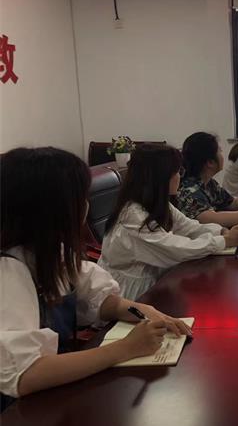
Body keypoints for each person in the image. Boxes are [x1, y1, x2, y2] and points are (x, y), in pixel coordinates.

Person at [0, 147, 192, 402]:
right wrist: (125, 348)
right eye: (80, 197)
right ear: (51, 209)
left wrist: (145, 311)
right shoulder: (8, 270)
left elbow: (99, 298)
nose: (86, 206)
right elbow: (27, 374)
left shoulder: (50, 253)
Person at [99, 144, 238, 300]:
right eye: (177, 172)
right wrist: (225, 240)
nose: (180, 177)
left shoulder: (158, 204)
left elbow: (189, 227)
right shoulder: (133, 216)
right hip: (127, 295)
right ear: (161, 178)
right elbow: (176, 249)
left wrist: (223, 232)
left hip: (155, 283)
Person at [178, 131, 238, 226]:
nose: (222, 155)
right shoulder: (189, 189)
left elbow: (232, 202)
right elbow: (210, 219)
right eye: (220, 151)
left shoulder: (209, 183)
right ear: (210, 163)